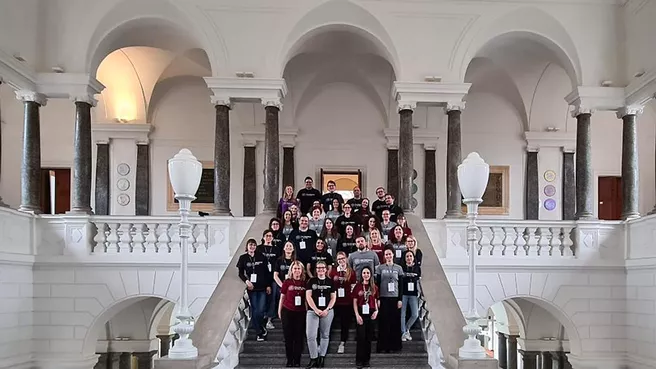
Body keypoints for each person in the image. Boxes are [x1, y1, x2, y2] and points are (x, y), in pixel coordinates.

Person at [237, 238, 272, 341]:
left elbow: (267, 272)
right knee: (255, 310)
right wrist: (246, 281)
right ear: (247, 246)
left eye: (254, 245)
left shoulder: (261, 257)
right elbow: (240, 273)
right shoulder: (243, 258)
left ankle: (261, 327)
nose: (252, 247)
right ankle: (260, 332)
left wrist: (268, 285)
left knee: (260, 310)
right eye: (250, 245)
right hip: (252, 288)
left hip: (262, 287)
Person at [305, 261, 336, 368]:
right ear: (316, 269)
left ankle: (321, 357)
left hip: (327, 311)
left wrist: (327, 309)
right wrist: (316, 309)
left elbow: (333, 298)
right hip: (313, 311)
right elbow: (308, 296)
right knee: (311, 335)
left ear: (326, 269)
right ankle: (313, 358)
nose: (321, 269)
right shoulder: (311, 281)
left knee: (325, 335)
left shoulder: (330, 282)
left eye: (323, 267)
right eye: (318, 268)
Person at [375, 248, 404, 353]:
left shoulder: (399, 268)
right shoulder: (380, 268)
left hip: (395, 298)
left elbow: (401, 285)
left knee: (394, 322)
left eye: (390, 254)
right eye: (386, 254)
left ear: (393, 255)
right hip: (383, 298)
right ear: (384, 256)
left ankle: (394, 346)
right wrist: (377, 298)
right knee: (384, 322)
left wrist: (400, 299)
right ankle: (383, 346)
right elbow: (377, 285)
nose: (388, 256)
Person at [279, 260, 307, 367]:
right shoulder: (287, 282)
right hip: (287, 311)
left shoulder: (305, 282)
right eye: (295, 268)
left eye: (299, 268)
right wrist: (279, 311)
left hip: (300, 313)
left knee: (299, 337)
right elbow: (282, 297)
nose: (297, 270)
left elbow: (306, 300)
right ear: (291, 270)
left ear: (302, 270)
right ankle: (289, 360)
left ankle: (297, 360)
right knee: (288, 337)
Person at [329, 251, 357, 354]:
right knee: (330, 323)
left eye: (343, 258)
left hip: (347, 303)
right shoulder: (333, 271)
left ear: (346, 259)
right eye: (339, 259)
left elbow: (353, 287)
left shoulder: (351, 272)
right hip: (335, 302)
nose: (341, 260)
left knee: (345, 324)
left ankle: (342, 343)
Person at [353, 266, 379, 369]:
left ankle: (366, 361)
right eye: (364, 273)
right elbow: (354, 302)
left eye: (368, 273)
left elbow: (376, 301)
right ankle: (359, 360)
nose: (366, 275)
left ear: (371, 274)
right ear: (361, 274)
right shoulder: (358, 286)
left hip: (371, 313)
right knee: (361, 338)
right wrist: (357, 315)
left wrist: (377, 311)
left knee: (368, 339)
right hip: (360, 313)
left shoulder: (374, 287)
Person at [258, 229, 282, 330]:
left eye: (270, 236)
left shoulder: (276, 249)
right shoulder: (259, 248)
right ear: (263, 237)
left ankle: (269, 319)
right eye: (267, 235)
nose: (268, 237)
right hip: (261, 278)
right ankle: (261, 319)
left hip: (273, 277)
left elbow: (278, 264)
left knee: (272, 297)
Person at [401, 250, 421, 341]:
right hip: (403, 293)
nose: (409, 258)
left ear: (413, 258)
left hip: (413, 294)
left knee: (415, 314)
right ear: (405, 258)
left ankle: (406, 328)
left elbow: (418, 279)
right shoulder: (402, 268)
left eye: (410, 256)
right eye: (407, 256)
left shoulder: (417, 268)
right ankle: (403, 333)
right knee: (402, 314)